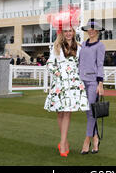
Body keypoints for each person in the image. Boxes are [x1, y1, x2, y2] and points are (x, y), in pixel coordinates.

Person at [44, 23, 89, 157]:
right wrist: (59, 74)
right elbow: (50, 64)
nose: (68, 33)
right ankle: (64, 140)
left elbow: (83, 64)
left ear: (74, 32)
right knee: (60, 113)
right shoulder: (57, 46)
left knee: (68, 112)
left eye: (70, 31)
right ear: (62, 33)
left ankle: (63, 143)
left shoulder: (80, 47)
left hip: (74, 84)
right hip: (60, 83)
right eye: (66, 31)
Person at [79, 19, 106, 155]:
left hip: (93, 82)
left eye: (93, 28)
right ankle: (95, 138)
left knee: (90, 109)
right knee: (88, 111)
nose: (90, 30)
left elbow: (100, 64)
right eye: (89, 28)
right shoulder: (83, 44)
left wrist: (100, 84)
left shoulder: (100, 46)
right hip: (81, 81)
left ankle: (87, 140)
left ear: (97, 31)